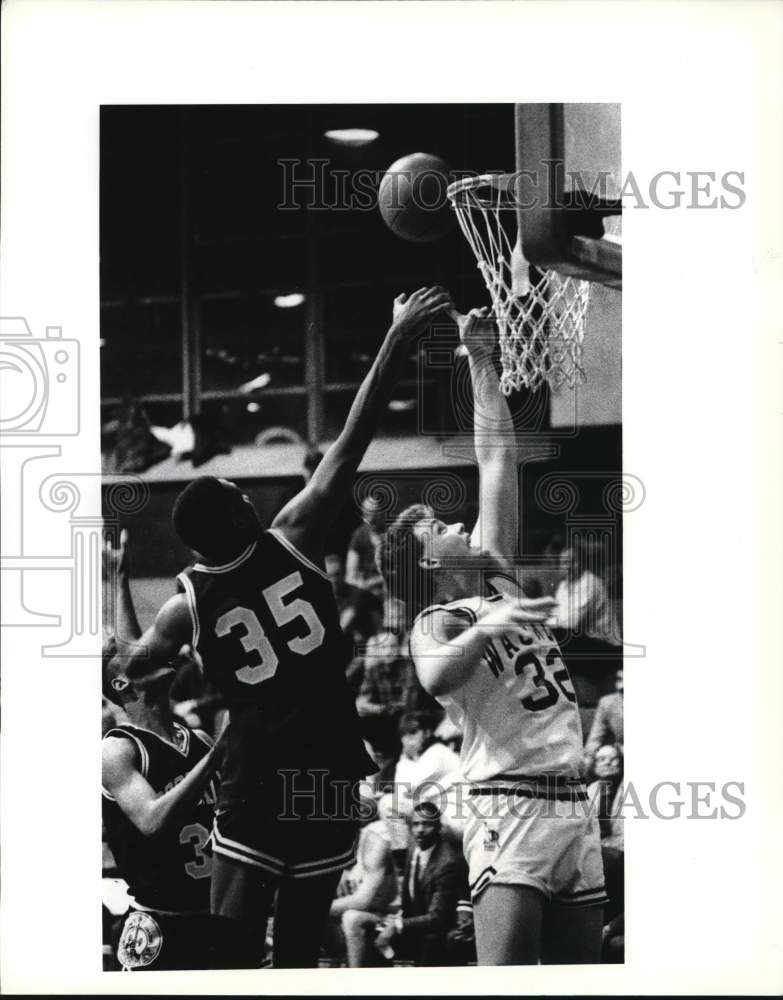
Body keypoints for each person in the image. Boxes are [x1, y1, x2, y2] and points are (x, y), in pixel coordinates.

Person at [122, 286, 453, 968]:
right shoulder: (294, 534)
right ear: (236, 519)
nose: (251, 495)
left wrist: (115, 602)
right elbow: (352, 440)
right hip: (326, 769)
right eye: (241, 496)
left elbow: (132, 664)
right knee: (302, 953)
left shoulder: (184, 602)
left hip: (255, 778)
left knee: (231, 954)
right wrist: (394, 338)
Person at [378, 307, 607, 965]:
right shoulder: (441, 620)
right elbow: (434, 677)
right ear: (426, 565)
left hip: (572, 802)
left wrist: (482, 361)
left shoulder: (496, 573)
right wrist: (495, 625)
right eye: (436, 529)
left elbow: (496, 455)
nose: (453, 523)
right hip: (506, 806)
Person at [101, 533, 247, 970]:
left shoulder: (194, 740)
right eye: (134, 657)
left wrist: (117, 578)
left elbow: (134, 655)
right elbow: (151, 821)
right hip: (159, 927)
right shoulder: (116, 751)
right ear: (124, 685)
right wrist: (220, 754)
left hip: (212, 917)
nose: (151, 647)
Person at [373, 802, 470, 966]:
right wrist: (396, 920)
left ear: (438, 827)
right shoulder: (414, 848)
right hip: (417, 923)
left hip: (438, 930)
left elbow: (438, 918)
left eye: (427, 824)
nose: (420, 830)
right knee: (373, 934)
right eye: (416, 824)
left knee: (431, 942)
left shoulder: (447, 862)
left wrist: (397, 925)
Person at [327, 818, 399, 967]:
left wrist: (318, 908)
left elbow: (363, 900)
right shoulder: (351, 839)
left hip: (390, 914)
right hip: (369, 909)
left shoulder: (377, 840)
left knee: (350, 918)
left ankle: (355, 977)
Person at [584, 667, 624, 772]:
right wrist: (587, 763)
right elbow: (595, 738)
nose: (621, 686)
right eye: (620, 679)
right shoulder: (608, 703)